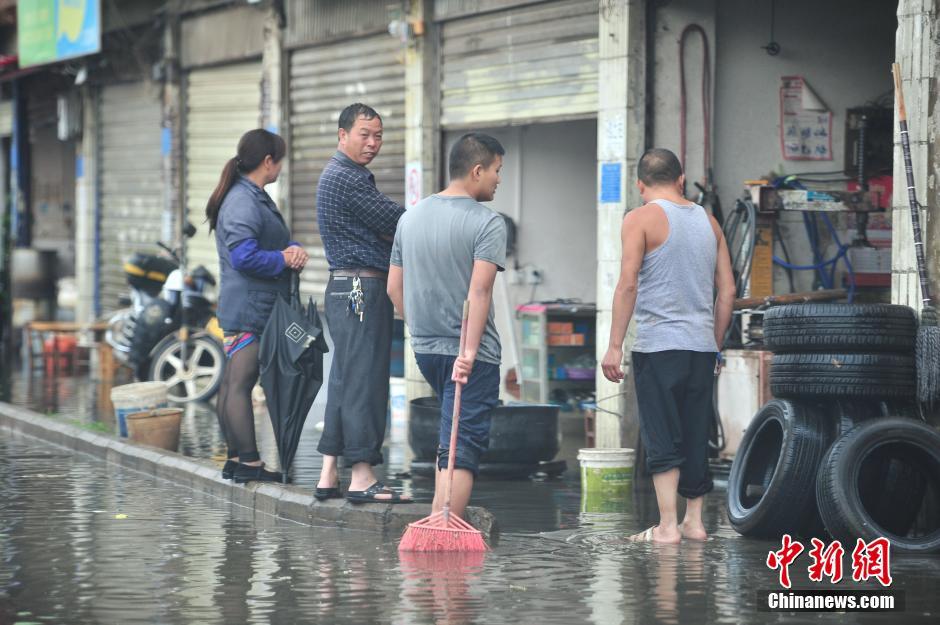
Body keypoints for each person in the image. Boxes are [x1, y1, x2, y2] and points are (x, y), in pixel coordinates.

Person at [601, 148, 735, 543]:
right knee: (696, 431)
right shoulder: (709, 222)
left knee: (662, 434)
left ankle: (666, 526)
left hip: (659, 347)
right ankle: (694, 522)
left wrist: (613, 345)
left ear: (640, 185)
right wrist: (714, 345)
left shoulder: (639, 218)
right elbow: (726, 292)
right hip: (700, 348)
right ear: (681, 179)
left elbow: (628, 284)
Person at [387, 132, 507, 520]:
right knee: (464, 446)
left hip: (426, 349)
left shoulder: (410, 218)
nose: (498, 180)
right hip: (471, 355)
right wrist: (469, 353)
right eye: (496, 171)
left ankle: (441, 516)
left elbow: (394, 288)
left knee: (449, 437)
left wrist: (419, 329)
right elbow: (480, 291)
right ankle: (446, 531)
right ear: (476, 170)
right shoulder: (488, 223)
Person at [315, 103, 411, 503]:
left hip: (346, 288)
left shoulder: (344, 176)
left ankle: (328, 473)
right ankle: (362, 476)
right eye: (364, 135)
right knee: (365, 382)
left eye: (378, 135)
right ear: (342, 136)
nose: (373, 143)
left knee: (343, 379)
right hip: (361, 290)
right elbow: (400, 220)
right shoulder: (346, 178)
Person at [208, 129, 309, 484]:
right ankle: (248, 462)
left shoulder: (252, 197)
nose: (281, 166)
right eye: (279, 159)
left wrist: (289, 250)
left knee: (233, 382)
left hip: (250, 304)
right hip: (250, 307)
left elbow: (266, 242)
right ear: (268, 162)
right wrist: (283, 258)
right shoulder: (243, 200)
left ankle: (236, 459)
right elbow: (244, 256)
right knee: (240, 383)